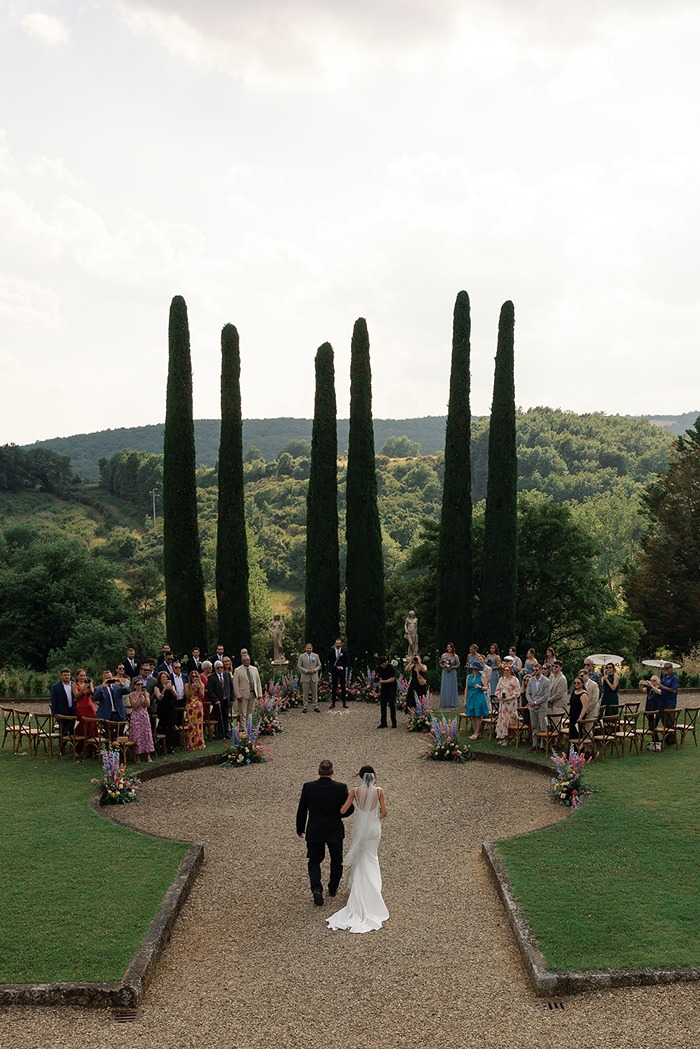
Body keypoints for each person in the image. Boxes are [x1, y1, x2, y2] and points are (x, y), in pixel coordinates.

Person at [327, 766, 388, 934]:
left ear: (360, 777)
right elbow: (384, 812)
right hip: (374, 828)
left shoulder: (355, 791)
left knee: (361, 858)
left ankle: (359, 890)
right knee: (372, 856)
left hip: (360, 828)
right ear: (373, 776)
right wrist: (375, 818)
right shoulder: (379, 791)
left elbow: (343, 810)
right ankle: (374, 890)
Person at [296, 759, 354, 906]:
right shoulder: (341, 788)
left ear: (318, 771)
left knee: (314, 860)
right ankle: (333, 887)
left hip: (315, 829)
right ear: (332, 772)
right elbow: (350, 809)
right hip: (334, 828)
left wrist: (300, 828)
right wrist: (338, 815)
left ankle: (316, 888)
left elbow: (302, 809)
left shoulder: (308, 787)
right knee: (336, 859)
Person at [128, 678, 154, 763]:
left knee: (147, 735)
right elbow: (134, 705)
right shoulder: (131, 695)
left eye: (141, 685)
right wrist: (139, 697)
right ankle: (137, 756)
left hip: (144, 716)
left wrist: (146, 697)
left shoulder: (146, 693)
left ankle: (148, 755)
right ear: (135, 686)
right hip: (136, 716)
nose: (140, 686)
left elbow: (147, 705)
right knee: (137, 735)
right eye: (138, 684)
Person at [495, 662, 521, 746]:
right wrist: (499, 696)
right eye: (504, 670)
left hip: (511, 703)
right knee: (503, 719)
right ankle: (504, 737)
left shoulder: (514, 680)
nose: (506, 672)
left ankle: (509, 737)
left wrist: (510, 697)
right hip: (503, 703)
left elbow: (518, 692)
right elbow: (497, 690)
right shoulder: (501, 679)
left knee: (509, 719)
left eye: (507, 670)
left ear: (510, 671)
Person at [232, 652, 263, 723]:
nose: (247, 661)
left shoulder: (254, 669)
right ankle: (243, 729)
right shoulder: (237, 670)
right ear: (242, 661)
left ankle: (249, 727)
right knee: (243, 713)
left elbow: (258, 681)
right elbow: (235, 684)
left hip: (253, 693)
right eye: (245, 660)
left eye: (248, 660)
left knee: (250, 712)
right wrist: (238, 695)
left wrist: (259, 693)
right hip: (243, 695)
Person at [526, 663, 550, 751]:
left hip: (542, 706)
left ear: (540, 670)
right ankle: (534, 744)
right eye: (533, 670)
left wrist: (536, 702)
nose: (535, 672)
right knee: (534, 726)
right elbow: (527, 693)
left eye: (536, 670)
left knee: (543, 726)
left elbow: (546, 695)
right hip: (532, 706)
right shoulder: (531, 680)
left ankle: (542, 745)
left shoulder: (546, 681)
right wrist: (531, 702)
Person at [73, 670, 97, 755]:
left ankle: (92, 748)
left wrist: (91, 687)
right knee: (82, 726)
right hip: (81, 707)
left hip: (89, 706)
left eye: (84, 676)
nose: (82, 677)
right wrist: (83, 689)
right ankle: (81, 748)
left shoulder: (87, 684)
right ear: (77, 676)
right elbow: (76, 696)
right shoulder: (74, 685)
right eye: (81, 676)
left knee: (92, 725)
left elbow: (93, 695)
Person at [207, 660, 232, 738]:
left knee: (226, 716)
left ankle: (226, 732)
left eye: (221, 667)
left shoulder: (227, 675)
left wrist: (231, 699)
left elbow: (231, 687)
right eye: (218, 668)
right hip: (218, 700)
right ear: (215, 668)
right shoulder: (211, 677)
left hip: (226, 699)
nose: (220, 669)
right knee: (219, 717)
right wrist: (215, 700)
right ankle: (220, 733)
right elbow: (210, 690)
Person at [154, 669, 178, 752]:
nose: (164, 678)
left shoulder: (171, 685)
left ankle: (171, 746)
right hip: (162, 708)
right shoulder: (157, 687)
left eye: (166, 677)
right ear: (160, 678)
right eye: (163, 677)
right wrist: (164, 690)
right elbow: (159, 698)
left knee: (171, 727)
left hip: (170, 708)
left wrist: (172, 689)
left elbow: (175, 695)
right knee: (163, 727)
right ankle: (161, 745)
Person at [465, 662, 489, 740]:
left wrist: (480, 687)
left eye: (476, 668)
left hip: (479, 696)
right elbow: (466, 689)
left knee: (478, 715)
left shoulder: (482, 676)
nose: (474, 670)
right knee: (472, 715)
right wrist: (465, 700)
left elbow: (486, 688)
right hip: (470, 696)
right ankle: (475, 732)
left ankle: (478, 732)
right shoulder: (469, 677)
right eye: (473, 668)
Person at [639, 674, 664, 751]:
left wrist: (651, 685)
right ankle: (656, 742)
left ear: (658, 681)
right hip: (649, 710)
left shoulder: (659, 688)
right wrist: (640, 684)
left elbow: (658, 692)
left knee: (652, 726)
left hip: (657, 711)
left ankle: (656, 742)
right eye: (651, 680)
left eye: (654, 680)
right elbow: (642, 690)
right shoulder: (649, 689)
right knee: (651, 727)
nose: (652, 682)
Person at [298, 643, 322, 713]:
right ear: (305, 649)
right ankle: (305, 706)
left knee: (315, 693)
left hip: (314, 677)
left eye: (310, 648)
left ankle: (315, 706)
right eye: (307, 648)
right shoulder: (301, 656)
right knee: (305, 693)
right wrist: (306, 671)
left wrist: (314, 670)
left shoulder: (316, 656)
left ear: (312, 649)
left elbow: (319, 665)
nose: (309, 649)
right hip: (305, 677)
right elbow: (299, 666)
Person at [185, 670, 205, 751]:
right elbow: (187, 696)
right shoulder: (187, 685)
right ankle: (192, 744)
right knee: (191, 724)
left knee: (199, 724)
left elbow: (202, 696)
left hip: (198, 705)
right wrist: (192, 689)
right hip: (190, 706)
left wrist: (199, 689)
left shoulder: (201, 685)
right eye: (192, 676)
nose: (194, 678)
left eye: (196, 676)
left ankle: (200, 743)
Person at [659, 662, 679, 745]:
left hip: (670, 701)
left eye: (667, 668)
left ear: (671, 668)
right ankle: (667, 737)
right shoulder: (663, 677)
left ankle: (672, 738)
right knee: (664, 720)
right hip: (662, 701)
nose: (665, 670)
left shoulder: (674, 678)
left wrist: (662, 686)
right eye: (664, 669)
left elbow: (673, 690)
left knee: (670, 721)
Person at [375, 657, 397, 729]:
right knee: (383, 705)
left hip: (392, 687)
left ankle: (394, 722)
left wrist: (382, 681)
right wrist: (378, 680)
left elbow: (392, 679)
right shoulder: (379, 668)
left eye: (383, 664)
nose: (382, 666)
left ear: (385, 662)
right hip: (384, 688)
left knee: (391, 704)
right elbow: (378, 677)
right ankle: (383, 722)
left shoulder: (391, 667)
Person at [328, 638, 350, 709]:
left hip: (342, 672)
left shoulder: (344, 652)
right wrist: (332, 669)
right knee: (334, 687)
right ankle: (333, 703)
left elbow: (347, 662)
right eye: (337, 643)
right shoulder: (331, 651)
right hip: (334, 672)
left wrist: (342, 667)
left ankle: (344, 703)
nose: (338, 644)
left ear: (341, 644)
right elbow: (329, 661)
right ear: (335, 643)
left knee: (343, 687)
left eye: (339, 643)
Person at [568, 675, 590, 742]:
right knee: (572, 733)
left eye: (578, 683)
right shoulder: (573, 692)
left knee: (577, 733)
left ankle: (579, 750)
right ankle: (572, 751)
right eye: (575, 683)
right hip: (572, 715)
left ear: (582, 684)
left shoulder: (584, 694)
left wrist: (580, 718)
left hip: (578, 716)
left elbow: (585, 707)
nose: (576, 684)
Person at [439, 643, 460, 709]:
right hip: (445, 672)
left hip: (452, 672)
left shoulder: (455, 656)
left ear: (452, 648)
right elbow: (440, 663)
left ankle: (452, 702)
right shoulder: (444, 655)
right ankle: (445, 702)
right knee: (445, 685)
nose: (449, 648)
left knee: (452, 686)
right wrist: (444, 667)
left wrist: (452, 667)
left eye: (450, 647)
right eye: (448, 647)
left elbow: (458, 664)